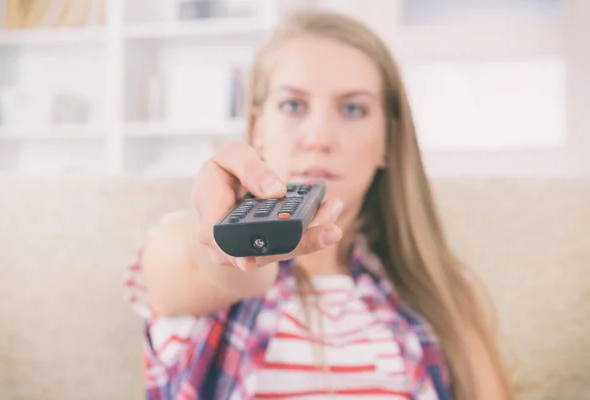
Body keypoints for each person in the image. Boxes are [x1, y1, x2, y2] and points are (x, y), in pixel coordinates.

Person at [124, 10, 514, 400]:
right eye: (293, 106)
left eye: (353, 109)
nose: (319, 137)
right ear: (258, 128)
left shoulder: (445, 290)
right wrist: (233, 242)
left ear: (388, 141)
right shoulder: (186, 246)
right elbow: (207, 265)